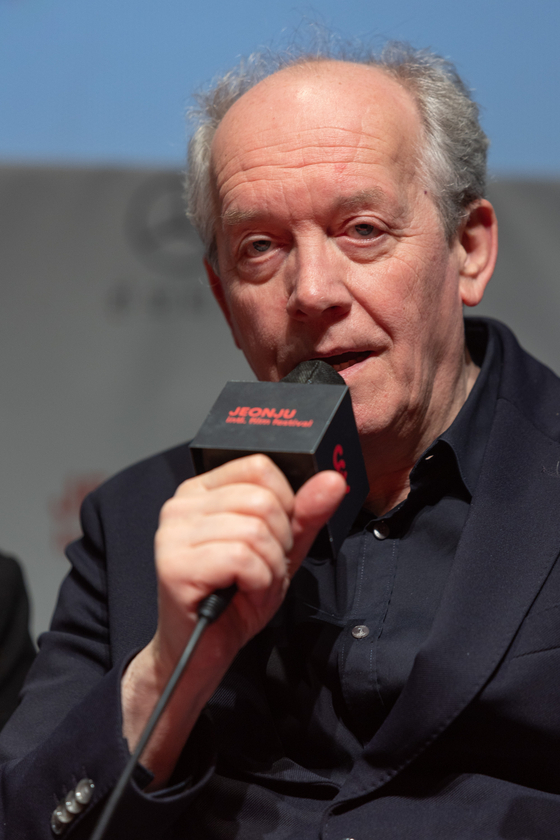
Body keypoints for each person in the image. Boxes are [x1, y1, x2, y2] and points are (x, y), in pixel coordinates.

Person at [2, 41, 560, 840]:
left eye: (362, 230)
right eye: (259, 248)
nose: (312, 292)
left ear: (468, 249)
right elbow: (30, 820)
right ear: (224, 300)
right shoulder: (137, 523)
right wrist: (168, 674)